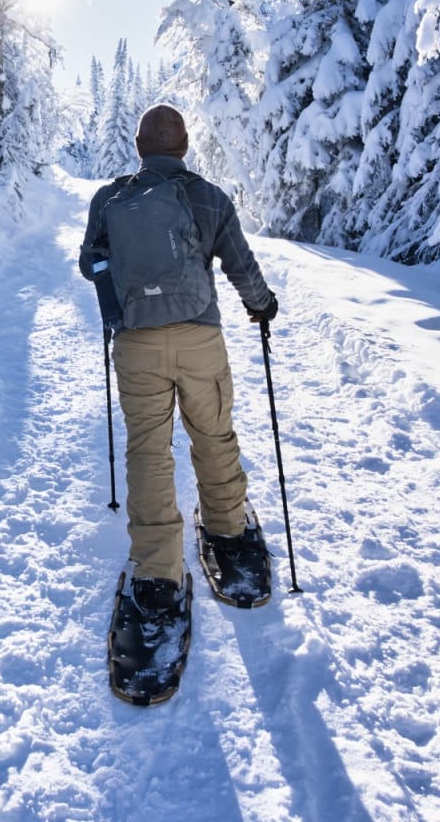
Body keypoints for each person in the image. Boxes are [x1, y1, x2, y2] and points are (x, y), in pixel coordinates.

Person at [79, 104, 279, 620]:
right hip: (199, 340)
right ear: (184, 146)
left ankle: (158, 571)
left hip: (136, 343)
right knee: (212, 435)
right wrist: (261, 306)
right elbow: (242, 266)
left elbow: (89, 263)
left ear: (140, 146)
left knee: (148, 450)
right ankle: (228, 530)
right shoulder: (209, 198)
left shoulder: (109, 198)